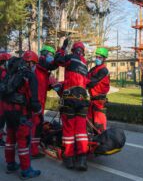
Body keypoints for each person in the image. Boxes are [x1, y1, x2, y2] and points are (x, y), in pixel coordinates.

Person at [3, 51, 41, 179]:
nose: (34, 66)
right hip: (21, 112)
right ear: (31, 63)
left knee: (10, 138)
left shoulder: (11, 72)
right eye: (34, 63)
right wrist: (38, 109)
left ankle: (10, 164)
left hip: (8, 110)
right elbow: (33, 99)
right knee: (23, 141)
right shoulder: (29, 75)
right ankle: (26, 170)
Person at [55, 39, 89, 171]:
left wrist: (62, 48)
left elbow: (58, 60)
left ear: (74, 50)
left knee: (68, 130)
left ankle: (68, 158)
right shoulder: (85, 63)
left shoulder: (71, 58)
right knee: (81, 131)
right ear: (83, 52)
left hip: (70, 99)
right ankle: (82, 159)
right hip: (82, 100)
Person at [31, 45, 57, 159]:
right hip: (35, 103)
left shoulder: (44, 71)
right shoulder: (36, 70)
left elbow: (48, 86)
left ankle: (29, 146)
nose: (51, 59)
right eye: (50, 56)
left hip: (38, 102)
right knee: (36, 126)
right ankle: (34, 151)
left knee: (33, 125)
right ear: (44, 55)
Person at [87, 47, 110, 133]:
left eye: (100, 57)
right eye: (96, 57)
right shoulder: (93, 69)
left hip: (99, 101)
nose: (97, 59)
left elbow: (92, 82)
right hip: (92, 100)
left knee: (99, 125)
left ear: (104, 59)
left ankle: (101, 142)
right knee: (89, 124)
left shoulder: (103, 70)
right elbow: (86, 77)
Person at [0, 52, 11, 147]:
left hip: (2, 99)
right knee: (1, 119)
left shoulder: (3, 71)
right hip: (1, 100)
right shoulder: (3, 72)